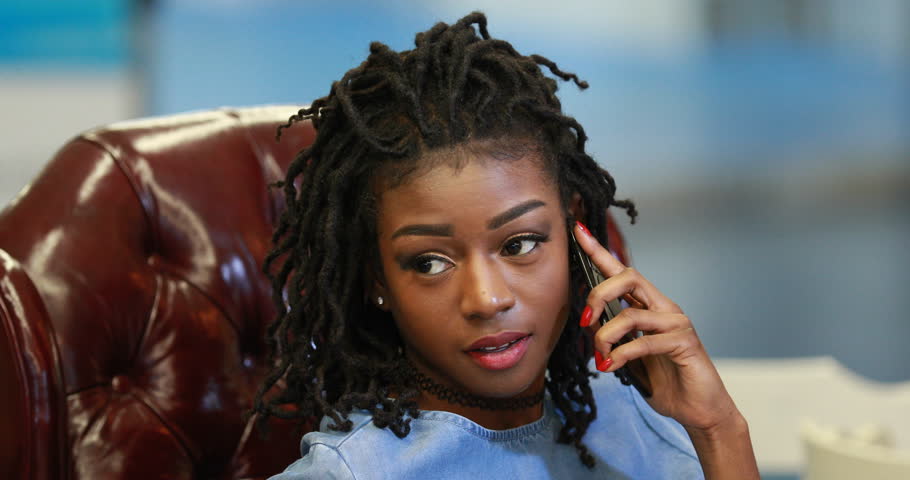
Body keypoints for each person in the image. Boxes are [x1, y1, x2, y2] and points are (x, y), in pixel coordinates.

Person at [254, 12, 759, 479]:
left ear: (575, 234)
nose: (488, 299)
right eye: (429, 263)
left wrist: (720, 429)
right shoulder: (351, 472)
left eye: (520, 244)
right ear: (377, 279)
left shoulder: (641, 418)